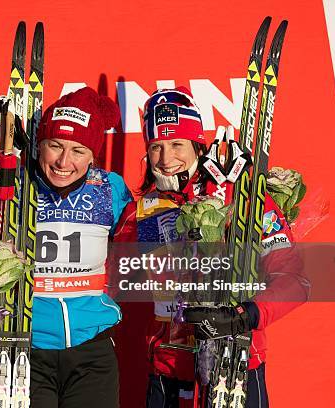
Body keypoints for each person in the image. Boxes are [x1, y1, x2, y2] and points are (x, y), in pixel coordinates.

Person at [112, 87, 309, 408]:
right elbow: (114, 280)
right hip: (168, 371)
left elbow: (295, 280)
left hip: (234, 367)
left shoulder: (241, 199)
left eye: (177, 144)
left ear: (197, 145)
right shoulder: (142, 209)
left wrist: (246, 315)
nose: (166, 159)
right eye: (155, 147)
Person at [0, 87, 133, 407]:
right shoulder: (4, 184)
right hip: (24, 347)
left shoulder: (111, 188)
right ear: (39, 145)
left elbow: (141, 245)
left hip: (91, 352)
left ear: (93, 154)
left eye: (78, 150)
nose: (65, 161)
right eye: (55, 146)